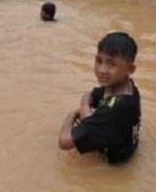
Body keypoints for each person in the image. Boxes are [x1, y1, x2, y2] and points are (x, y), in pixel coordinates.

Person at [59, 32, 141, 164]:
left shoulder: (112, 111)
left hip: (113, 167)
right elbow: (89, 95)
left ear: (130, 69)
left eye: (111, 64)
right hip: (125, 146)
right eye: (98, 61)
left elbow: (64, 142)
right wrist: (88, 115)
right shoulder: (127, 86)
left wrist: (72, 115)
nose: (102, 70)